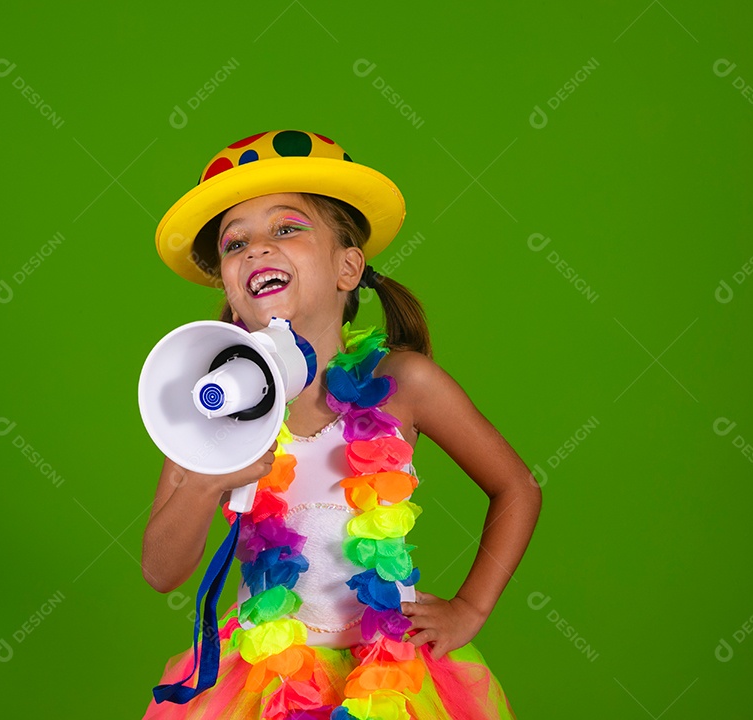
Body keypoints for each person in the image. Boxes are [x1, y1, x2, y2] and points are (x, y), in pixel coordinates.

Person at [141, 129, 541, 719]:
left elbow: (517, 488)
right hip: (265, 682)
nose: (256, 250)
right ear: (228, 284)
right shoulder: (210, 407)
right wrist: (204, 481)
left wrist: (470, 609)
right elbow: (161, 570)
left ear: (347, 266)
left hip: (391, 679)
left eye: (286, 228)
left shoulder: (406, 384)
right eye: (235, 243)